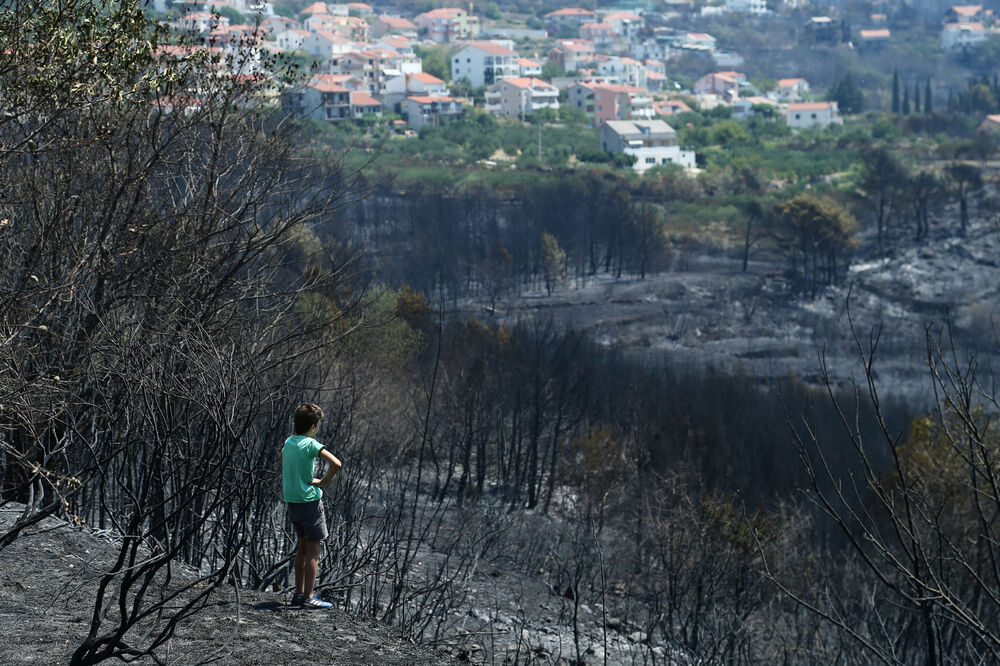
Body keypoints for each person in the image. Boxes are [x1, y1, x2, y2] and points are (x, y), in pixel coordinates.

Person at [281, 402, 341, 609]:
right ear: (314, 426)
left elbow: (282, 458)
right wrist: (322, 481)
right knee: (314, 551)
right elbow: (337, 464)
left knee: (302, 549)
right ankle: (309, 597)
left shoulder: (289, 442)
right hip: (310, 501)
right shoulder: (310, 444)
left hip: (293, 501)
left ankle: (298, 594)